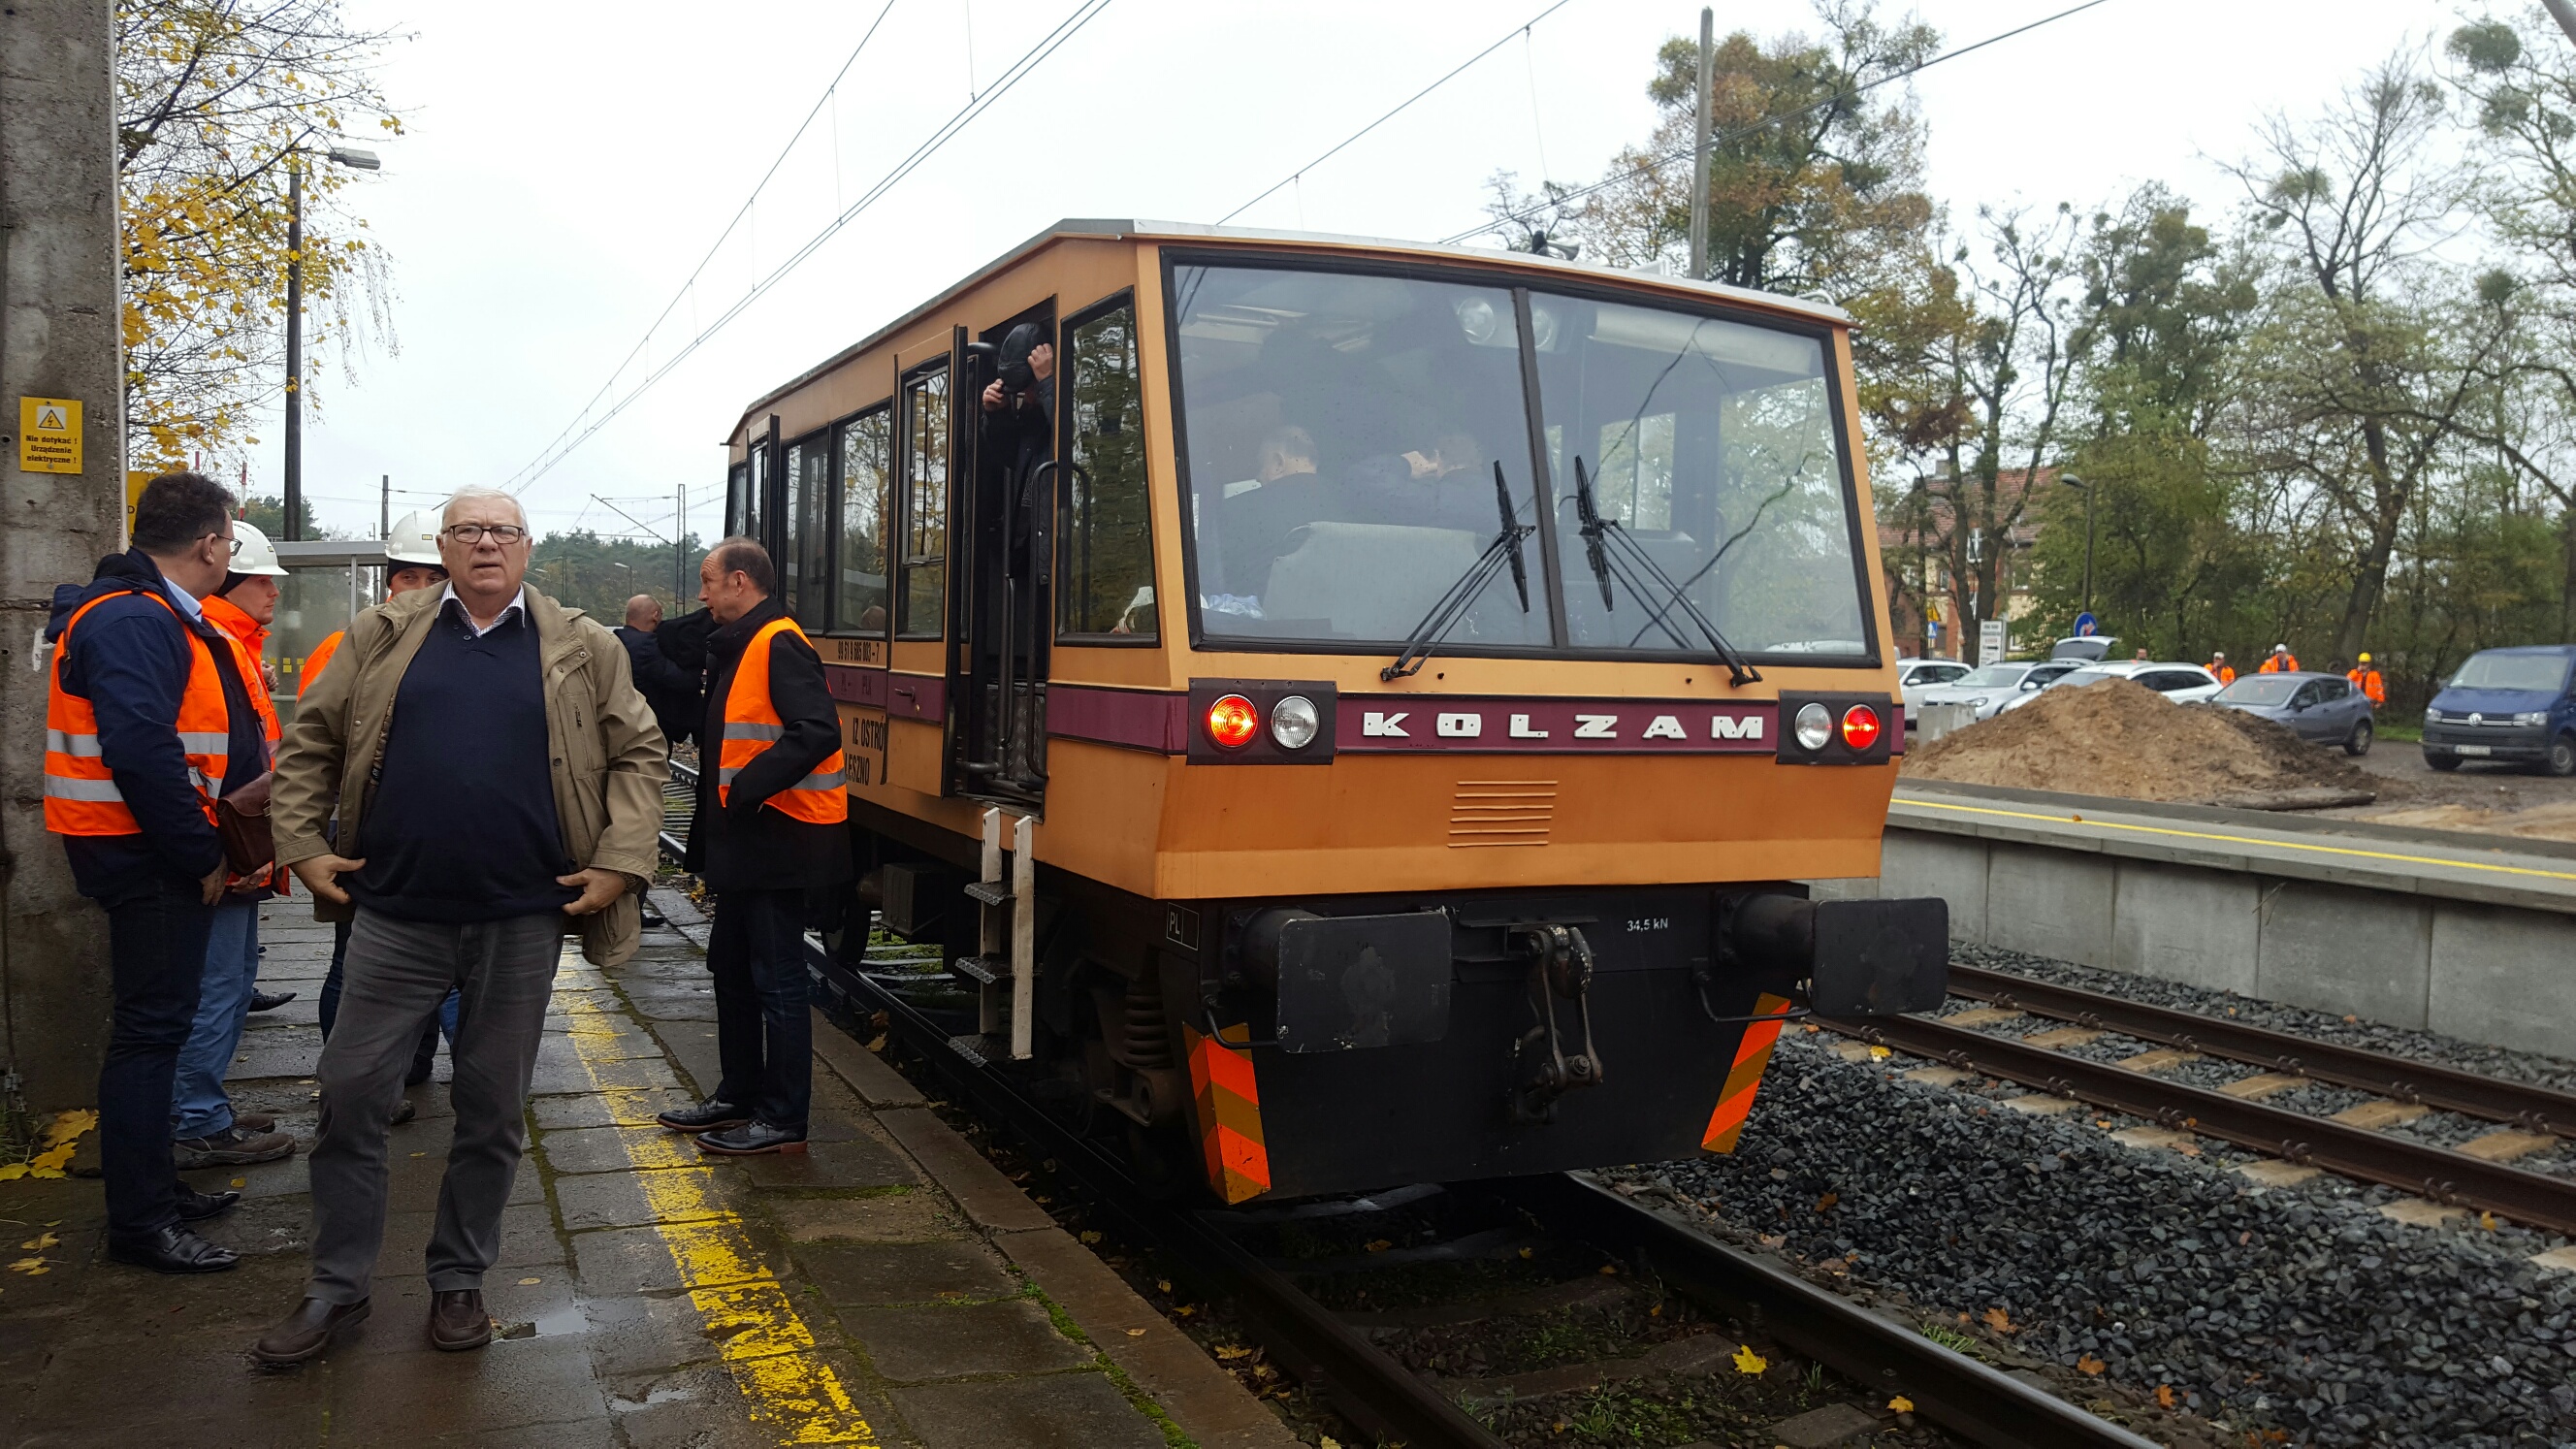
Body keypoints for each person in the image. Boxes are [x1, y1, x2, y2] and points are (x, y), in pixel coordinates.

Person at [255, 487, 666, 1365]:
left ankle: (458, 1280)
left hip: (521, 918)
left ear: (527, 547)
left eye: (503, 531)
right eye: (468, 531)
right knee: (351, 1092)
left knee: (490, 1110)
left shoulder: (582, 647)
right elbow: (311, 741)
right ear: (443, 547)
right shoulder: (387, 634)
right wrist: (301, 844)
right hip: (395, 913)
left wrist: (621, 861)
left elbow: (640, 751)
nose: (486, 544)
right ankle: (337, 1289)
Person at [42, 471, 267, 1272]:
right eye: (230, 544)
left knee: (159, 1031)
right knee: (150, 1035)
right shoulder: (137, 620)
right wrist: (203, 854)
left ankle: (157, 1190)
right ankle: (141, 1222)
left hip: (142, 850)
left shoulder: (143, 614)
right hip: (146, 856)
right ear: (209, 543)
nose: (227, 556)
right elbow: (142, 749)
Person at [659, 539, 852, 1155]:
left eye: (709, 581)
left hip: (778, 841)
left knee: (777, 980)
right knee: (732, 970)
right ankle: (739, 1095)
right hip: (747, 844)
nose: (701, 594)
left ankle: (783, 1118)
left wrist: (746, 788)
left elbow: (817, 730)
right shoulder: (744, 641)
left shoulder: (778, 641)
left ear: (740, 582)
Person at [306, 511, 455, 1127]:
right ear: (395, 579)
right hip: (371, 833)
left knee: (432, 960)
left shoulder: (457, 645)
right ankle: (352, 1079)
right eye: (412, 576)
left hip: (437, 836)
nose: (421, 589)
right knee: (359, 960)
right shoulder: (356, 644)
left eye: (432, 578)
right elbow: (316, 746)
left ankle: (410, 1063)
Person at [171, 518, 297, 1170]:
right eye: (259, 581)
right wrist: (215, 849)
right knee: (217, 986)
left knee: (232, 978)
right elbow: (200, 756)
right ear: (223, 575)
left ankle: (201, 1107)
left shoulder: (232, 644)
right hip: (223, 844)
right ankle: (194, 1120)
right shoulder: (210, 643)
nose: (272, 593)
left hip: (235, 842)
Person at [617, 594, 702, 750]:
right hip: (646, 731)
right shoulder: (645, 645)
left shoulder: (617, 639)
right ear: (655, 615)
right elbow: (680, 680)